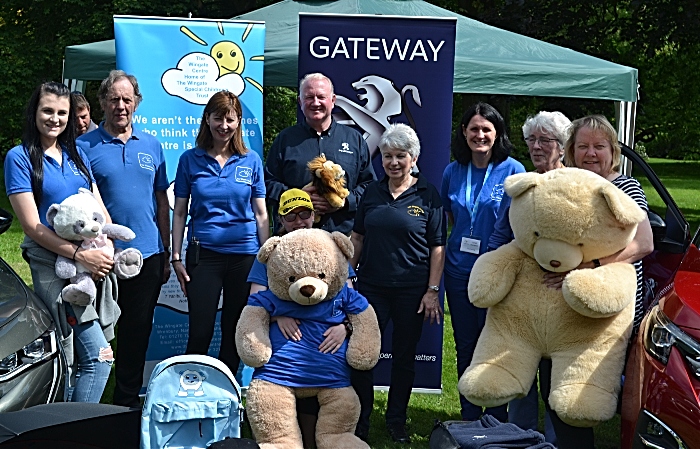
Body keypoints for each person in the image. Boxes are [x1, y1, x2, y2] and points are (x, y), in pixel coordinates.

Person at [539, 114, 653, 449]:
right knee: (556, 381)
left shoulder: (624, 187)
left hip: (608, 305)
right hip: (568, 301)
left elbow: (644, 243)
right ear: (571, 151)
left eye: (599, 146)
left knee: (578, 387)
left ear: (612, 151)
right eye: (583, 146)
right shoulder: (572, 183)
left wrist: (589, 265)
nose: (591, 153)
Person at [4, 81, 116, 402]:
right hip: (54, 266)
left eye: (62, 113)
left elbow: (98, 207)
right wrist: (81, 257)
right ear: (34, 112)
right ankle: (73, 432)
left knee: (80, 362)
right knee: (98, 358)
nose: (55, 119)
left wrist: (105, 247)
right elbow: (32, 225)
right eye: (47, 111)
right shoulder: (20, 158)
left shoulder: (77, 152)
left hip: (91, 263)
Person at [77, 70, 171, 407]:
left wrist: (166, 249)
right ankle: (84, 402)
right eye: (114, 99)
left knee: (136, 331)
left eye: (127, 99)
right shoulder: (83, 147)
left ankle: (125, 402)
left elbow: (162, 201)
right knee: (96, 333)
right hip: (100, 257)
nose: (120, 105)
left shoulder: (152, 145)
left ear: (137, 103)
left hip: (147, 255)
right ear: (102, 102)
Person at [350, 123, 445, 444]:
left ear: (413, 158)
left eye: (400, 156)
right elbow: (358, 237)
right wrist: (349, 275)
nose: (393, 162)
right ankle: (360, 419)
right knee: (363, 355)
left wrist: (432, 291)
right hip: (371, 288)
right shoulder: (372, 193)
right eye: (387, 156)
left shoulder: (428, 194)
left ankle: (396, 421)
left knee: (404, 358)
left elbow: (437, 247)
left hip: (412, 291)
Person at [487, 111, 572, 445]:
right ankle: (519, 439)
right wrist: (493, 271)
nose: (536, 147)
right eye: (532, 140)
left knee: (554, 378)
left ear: (562, 145)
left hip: (561, 297)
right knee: (520, 372)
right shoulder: (522, 186)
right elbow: (500, 234)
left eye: (545, 140)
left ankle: (554, 441)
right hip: (521, 294)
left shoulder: (575, 185)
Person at [171, 90, 269, 376]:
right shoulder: (190, 160)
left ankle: (226, 393)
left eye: (230, 119)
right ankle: (190, 390)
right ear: (207, 119)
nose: (223, 126)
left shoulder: (250, 160)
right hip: (205, 256)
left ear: (238, 122)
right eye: (218, 118)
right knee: (200, 331)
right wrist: (176, 256)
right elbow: (179, 212)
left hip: (245, 257)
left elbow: (261, 214)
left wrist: (266, 257)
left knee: (235, 331)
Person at [247, 188, 351, 449]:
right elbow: (255, 299)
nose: (298, 222)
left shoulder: (329, 247)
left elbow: (351, 296)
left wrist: (345, 327)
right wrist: (277, 316)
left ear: (314, 216)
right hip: (287, 338)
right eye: (290, 217)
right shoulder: (271, 254)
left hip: (327, 337)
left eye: (304, 215)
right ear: (280, 220)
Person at [440, 102, 525, 422]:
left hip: (498, 272)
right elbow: (448, 217)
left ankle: (497, 414)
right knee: (466, 344)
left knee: (495, 343)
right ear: (464, 132)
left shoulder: (514, 170)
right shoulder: (453, 170)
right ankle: (470, 413)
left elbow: (521, 222)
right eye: (473, 129)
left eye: (486, 129)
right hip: (459, 270)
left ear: (497, 133)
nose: (480, 135)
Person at [264, 72, 376, 235]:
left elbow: (370, 187)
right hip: (295, 239)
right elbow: (267, 184)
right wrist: (298, 198)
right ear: (300, 101)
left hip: (343, 240)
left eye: (321, 97)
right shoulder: (285, 139)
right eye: (309, 97)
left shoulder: (354, 140)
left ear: (333, 100)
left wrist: (343, 202)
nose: (315, 103)